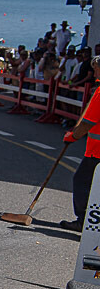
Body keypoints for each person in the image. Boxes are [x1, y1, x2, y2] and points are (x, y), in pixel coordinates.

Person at [60, 55, 100, 232]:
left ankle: (83, 220)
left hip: (96, 152)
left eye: (96, 68)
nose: (93, 72)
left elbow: (87, 123)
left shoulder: (99, 93)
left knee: (82, 182)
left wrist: (73, 136)